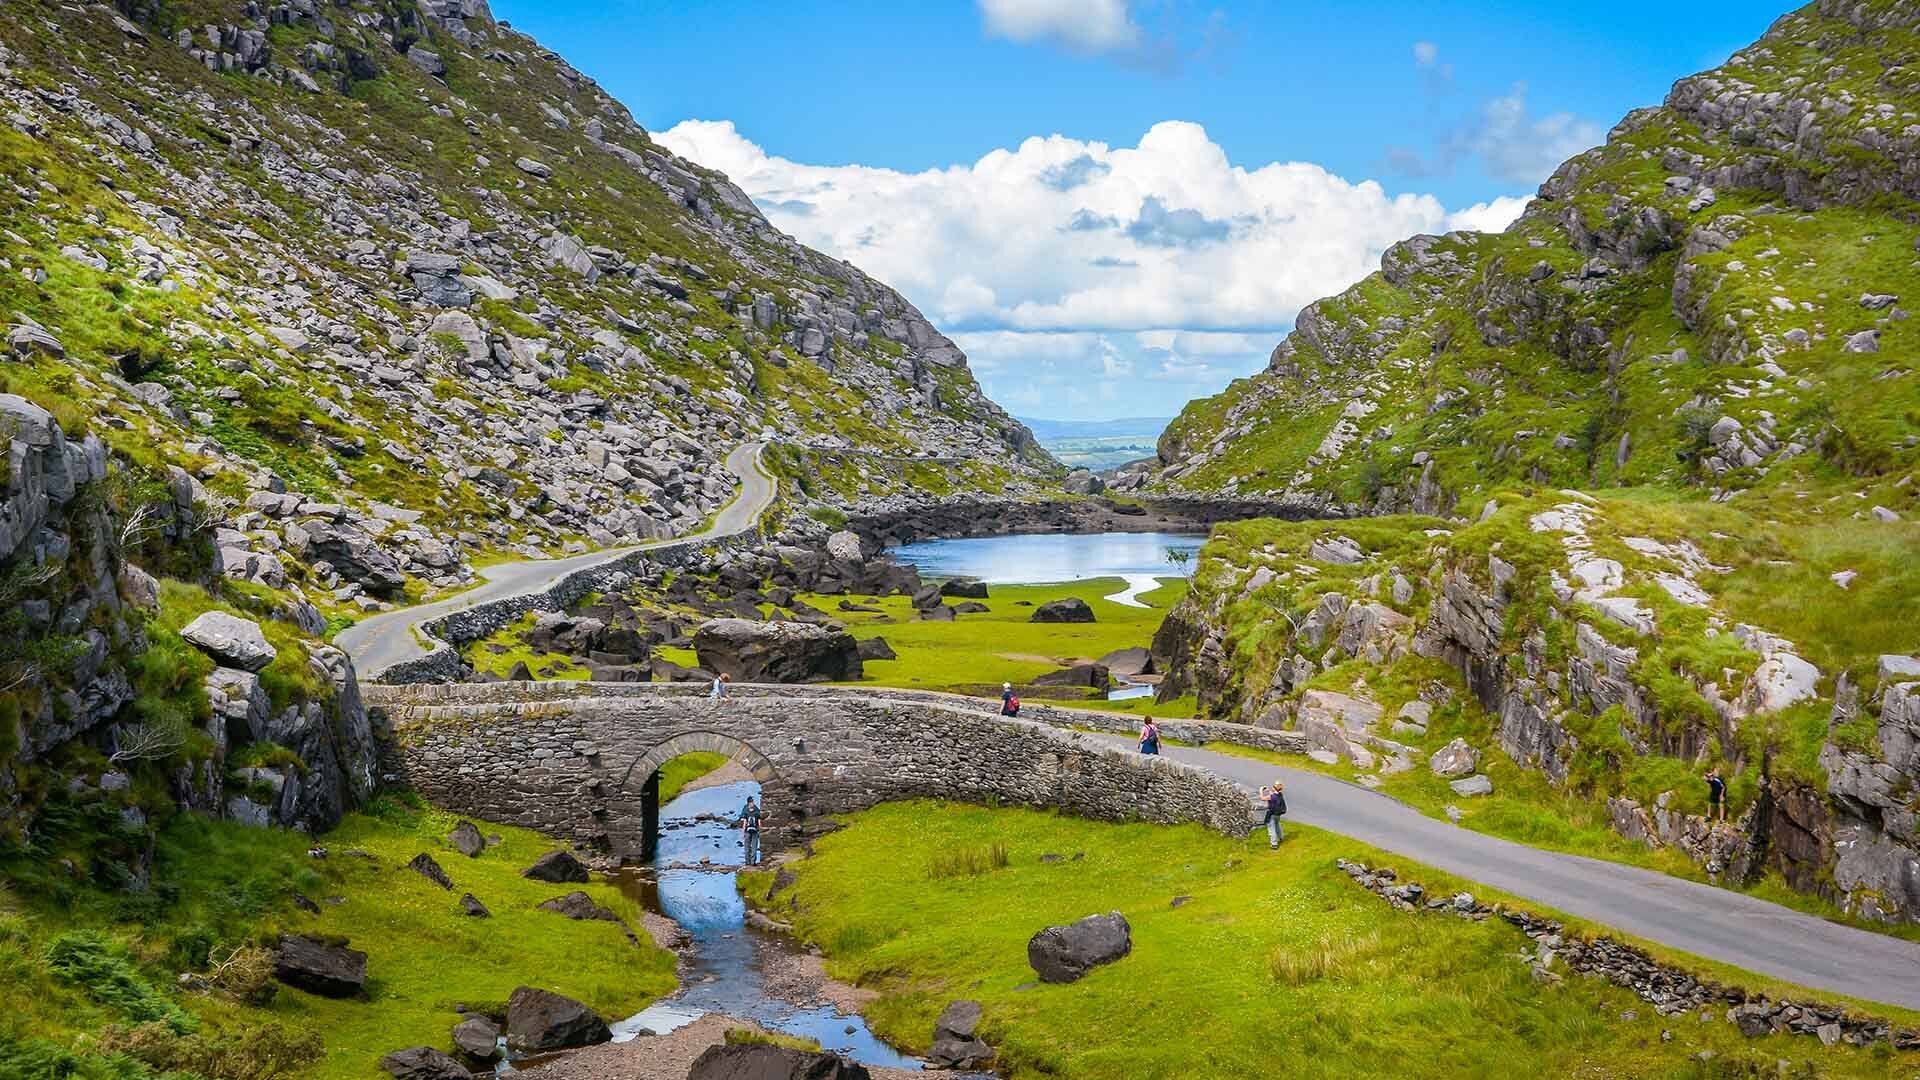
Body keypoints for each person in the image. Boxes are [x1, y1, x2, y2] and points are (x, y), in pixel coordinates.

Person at [1260, 782, 1287, 848]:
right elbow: (1274, 794)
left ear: (1274, 788)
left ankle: (1274, 844)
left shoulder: (1271, 797)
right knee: (1277, 825)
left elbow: (1262, 798)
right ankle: (1281, 837)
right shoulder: (1280, 795)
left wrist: (1261, 791)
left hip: (1271, 814)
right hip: (1278, 814)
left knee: (1271, 829)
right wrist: (1270, 791)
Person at [739, 795, 762, 864]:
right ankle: (752, 862)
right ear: (749, 802)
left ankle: (748, 862)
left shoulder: (746, 811)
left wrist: (743, 832)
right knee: (753, 846)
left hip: (749, 831)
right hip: (753, 831)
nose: (753, 803)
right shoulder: (757, 811)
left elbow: (745, 823)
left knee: (748, 847)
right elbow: (759, 822)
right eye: (752, 802)